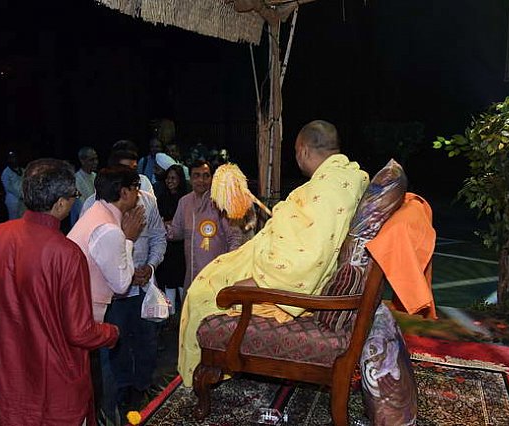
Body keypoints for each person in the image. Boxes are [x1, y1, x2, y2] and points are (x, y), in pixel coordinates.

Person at [177, 120, 369, 386]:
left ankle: (205, 374)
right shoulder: (345, 176)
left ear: (302, 150)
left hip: (280, 276)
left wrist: (258, 282)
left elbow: (308, 257)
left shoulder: (329, 188)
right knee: (215, 272)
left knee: (202, 295)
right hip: (269, 253)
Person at [0, 158, 119, 426]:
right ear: (60, 203)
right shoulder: (67, 253)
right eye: (74, 195)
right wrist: (111, 333)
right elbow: (79, 331)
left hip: (11, 380)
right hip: (57, 385)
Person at [67, 165, 146, 420]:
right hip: (85, 316)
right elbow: (121, 284)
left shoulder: (95, 212)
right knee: (97, 379)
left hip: (75, 309)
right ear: (124, 192)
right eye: (136, 188)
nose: (139, 194)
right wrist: (129, 239)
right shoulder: (109, 229)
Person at [167, 160, 242, 291]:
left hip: (217, 274)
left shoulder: (220, 202)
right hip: (192, 273)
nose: (201, 180)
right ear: (190, 179)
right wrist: (159, 228)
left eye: (206, 176)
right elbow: (176, 232)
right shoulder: (184, 202)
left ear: (212, 178)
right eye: (196, 175)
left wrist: (230, 263)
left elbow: (234, 237)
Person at [154, 164, 188, 315]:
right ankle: (170, 313)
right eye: (168, 178)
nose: (170, 181)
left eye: (173, 178)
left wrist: (170, 224)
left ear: (180, 180)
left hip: (182, 245)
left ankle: (183, 313)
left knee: (181, 278)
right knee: (169, 279)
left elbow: (185, 222)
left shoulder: (186, 199)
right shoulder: (162, 198)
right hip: (167, 245)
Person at [70, 146, 99, 225]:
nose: (96, 162)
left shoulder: (96, 177)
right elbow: (80, 206)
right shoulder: (75, 180)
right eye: (91, 160)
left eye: (96, 159)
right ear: (82, 161)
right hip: (81, 222)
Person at [0, 150, 24, 219]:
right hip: (12, 201)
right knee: (14, 220)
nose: (14, 160)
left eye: (15, 157)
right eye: (11, 158)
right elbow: (8, 187)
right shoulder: (6, 172)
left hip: (23, 200)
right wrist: (19, 195)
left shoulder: (22, 170)